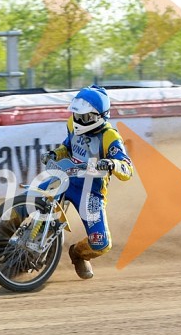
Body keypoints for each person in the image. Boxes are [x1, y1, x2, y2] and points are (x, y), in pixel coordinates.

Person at [40, 85, 134, 279]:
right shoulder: (71, 124)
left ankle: (78, 254)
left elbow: (127, 168)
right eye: (76, 115)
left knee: (101, 243)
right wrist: (54, 154)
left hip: (91, 192)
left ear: (97, 117)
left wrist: (111, 164)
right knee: (28, 199)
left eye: (84, 117)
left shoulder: (110, 136)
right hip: (66, 178)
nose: (78, 120)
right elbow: (67, 147)